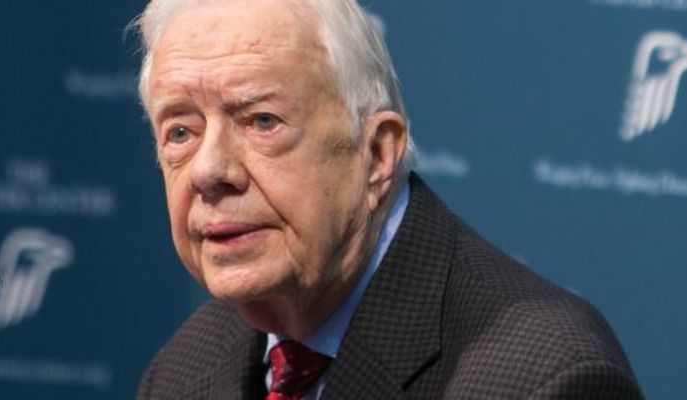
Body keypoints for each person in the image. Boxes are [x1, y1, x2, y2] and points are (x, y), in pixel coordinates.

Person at [132, 0, 644, 398]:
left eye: (262, 121)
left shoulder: (545, 378)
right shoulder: (186, 367)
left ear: (376, 155)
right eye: (180, 132)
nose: (209, 171)